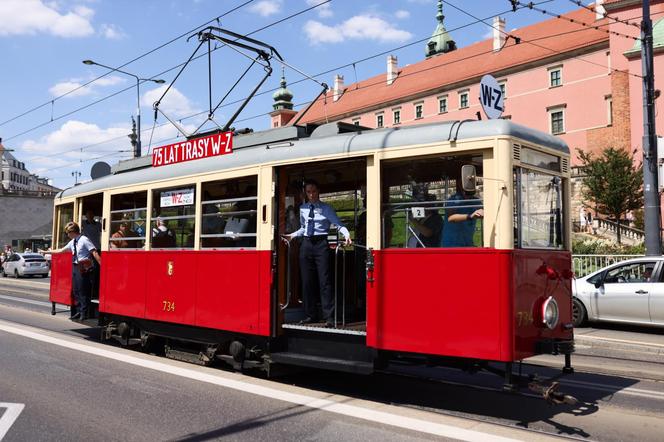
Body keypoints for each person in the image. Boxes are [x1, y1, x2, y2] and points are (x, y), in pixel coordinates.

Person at [284, 179, 352, 327]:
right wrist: (292, 236)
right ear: (306, 194)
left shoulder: (326, 208)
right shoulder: (303, 208)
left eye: (314, 191)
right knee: (307, 281)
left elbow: (338, 224)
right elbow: (303, 228)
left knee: (324, 281)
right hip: (306, 244)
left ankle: (329, 316)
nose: (312, 194)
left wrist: (346, 235)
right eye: (309, 192)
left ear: (318, 191)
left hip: (321, 244)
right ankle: (310, 315)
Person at [57, 221, 101, 320]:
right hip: (75, 266)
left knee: (82, 290)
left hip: (83, 267)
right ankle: (78, 310)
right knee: (76, 290)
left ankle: (84, 313)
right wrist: (45, 251)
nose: (67, 235)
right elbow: (61, 250)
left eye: (68, 233)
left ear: (73, 232)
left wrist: (102, 265)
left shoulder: (84, 240)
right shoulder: (73, 241)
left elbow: (94, 252)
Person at [441, 180, 484, 247]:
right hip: (451, 245)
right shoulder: (453, 200)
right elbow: (450, 218)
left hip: (467, 244)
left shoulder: (476, 201)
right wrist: (470, 216)